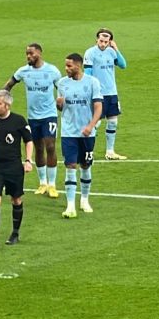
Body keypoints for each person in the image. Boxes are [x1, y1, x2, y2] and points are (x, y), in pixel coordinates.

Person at [4, 43, 61, 197]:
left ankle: (52, 184)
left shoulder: (52, 71)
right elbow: (9, 85)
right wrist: (1, 100)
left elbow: (61, 88)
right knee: (38, 148)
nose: (28, 56)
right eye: (27, 54)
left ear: (40, 54)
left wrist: (62, 101)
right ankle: (42, 182)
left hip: (49, 115)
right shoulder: (23, 71)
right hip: (33, 117)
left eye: (31, 53)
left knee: (50, 146)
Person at [0, 90, 34, 248]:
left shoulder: (18, 121)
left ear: (7, 105)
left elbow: (29, 141)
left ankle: (15, 233)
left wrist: (28, 160)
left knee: (16, 199)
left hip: (13, 166)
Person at [56, 53, 103, 218]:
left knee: (85, 166)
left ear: (78, 65)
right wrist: (59, 104)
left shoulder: (92, 82)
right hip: (68, 132)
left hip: (87, 133)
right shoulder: (62, 83)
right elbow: (61, 107)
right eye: (65, 66)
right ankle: (70, 205)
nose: (66, 69)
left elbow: (98, 107)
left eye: (69, 66)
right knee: (70, 166)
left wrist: (91, 126)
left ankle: (84, 199)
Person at [84, 28, 128, 160]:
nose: (103, 44)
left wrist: (116, 49)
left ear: (110, 42)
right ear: (96, 39)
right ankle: (88, 152)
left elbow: (123, 65)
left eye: (106, 42)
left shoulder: (111, 52)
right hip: (98, 94)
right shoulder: (90, 53)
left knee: (113, 122)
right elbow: (88, 74)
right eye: (101, 41)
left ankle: (110, 151)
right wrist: (90, 93)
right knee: (95, 123)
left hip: (112, 93)